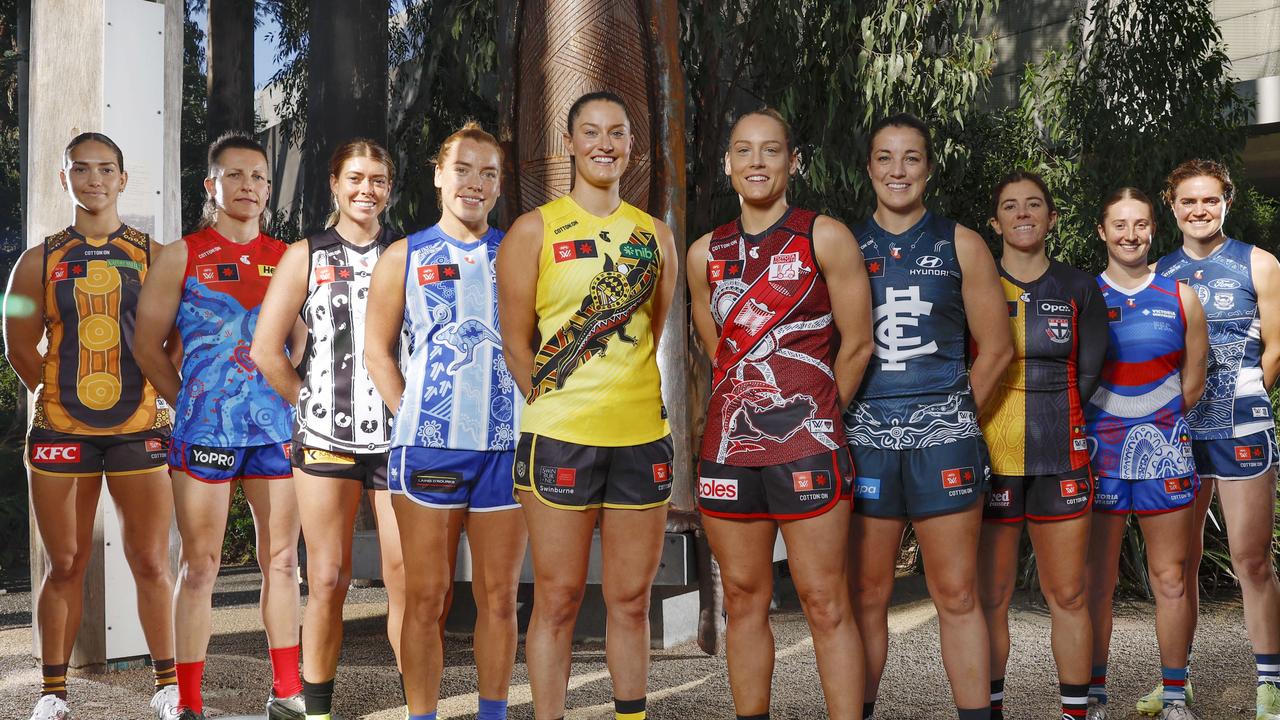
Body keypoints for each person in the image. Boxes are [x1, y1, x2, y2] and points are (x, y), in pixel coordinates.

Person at [496, 90, 678, 720]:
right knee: (559, 598)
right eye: (592, 132)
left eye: (618, 133)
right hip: (560, 439)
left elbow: (652, 328)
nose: (605, 143)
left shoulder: (654, 235)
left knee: (631, 600)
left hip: (641, 438)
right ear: (568, 144)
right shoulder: (534, 229)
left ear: (632, 145)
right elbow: (516, 341)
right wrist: (553, 403)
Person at [687, 108, 872, 720]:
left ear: (793, 162)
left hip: (808, 447)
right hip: (730, 449)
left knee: (825, 601)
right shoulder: (702, 252)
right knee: (743, 599)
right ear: (728, 164)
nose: (757, 162)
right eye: (743, 150)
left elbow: (860, 342)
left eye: (770, 151)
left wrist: (815, 416)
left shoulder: (825, 235)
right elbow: (719, 351)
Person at [4, 133, 180, 720]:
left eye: (106, 169)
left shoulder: (155, 255)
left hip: (138, 428)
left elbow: (176, 338)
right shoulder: (40, 259)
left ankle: (167, 686)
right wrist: (52, 395)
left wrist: (161, 390)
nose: (94, 180)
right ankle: (52, 693)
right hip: (60, 432)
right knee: (66, 563)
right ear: (65, 178)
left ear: (124, 180)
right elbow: (17, 340)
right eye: (82, 169)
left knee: (152, 561)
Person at [844, 112, 1014, 720]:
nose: (898, 170)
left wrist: (953, 413)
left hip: (943, 438)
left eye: (911, 158)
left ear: (929, 169)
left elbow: (997, 349)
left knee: (957, 593)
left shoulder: (960, 241)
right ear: (869, 168)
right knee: (866, 594)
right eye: (885, 157)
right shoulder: (841, 243)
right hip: (864, 437)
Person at [133, 132, 303, 720]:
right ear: (211, 186)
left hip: (275, 429)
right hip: (204, 432)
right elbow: (146, 345)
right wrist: (188, 402)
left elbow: (300, 340)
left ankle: (287, 692)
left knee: (282, 561)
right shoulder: (182, 254)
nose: (248, 186)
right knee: (199, 565)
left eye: (258, 176)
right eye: (235, 176)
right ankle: (187, 702)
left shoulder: (289, 257)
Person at [364, 122, 527, 720]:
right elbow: (378, 352)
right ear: (438, 175)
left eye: (488, 172)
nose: (474, 183)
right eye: (462, 169)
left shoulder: (518, 251)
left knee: (499, 599)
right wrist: (415, 412)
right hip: (428, 452)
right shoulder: (404, 255)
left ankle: (492, 713)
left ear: (499, 183)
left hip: (505, 450)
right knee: (427, 596)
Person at [251, 138, 406, 720]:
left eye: (379, 180)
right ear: (335, 186)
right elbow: (267, 350)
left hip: (397, 440)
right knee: (330, 577)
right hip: (325, 442)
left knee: (404, 578)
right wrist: (309, 401)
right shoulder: (307, 254)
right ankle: (314, 711)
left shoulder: (409, 251)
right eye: (356, 178)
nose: (367, 189)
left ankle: (419, 707)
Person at [976, 171, 1109, 720]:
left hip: (1063, 457)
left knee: (1070, 595)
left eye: (1034, 205)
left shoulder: (1079, 287)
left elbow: (1091, 371)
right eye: (1010, 206)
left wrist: (1054, 417)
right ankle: (990, 709)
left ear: (1052, 219)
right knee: (990, 600)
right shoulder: (975, 284)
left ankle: (1075, 713)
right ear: (996, 222)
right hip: (990, 462)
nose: (1023, 214)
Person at [1153, 159, 1280, 720]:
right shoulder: (1159, 271)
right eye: (1188, 201)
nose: (1199, 210)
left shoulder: (1260, 264)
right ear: (1172, 206)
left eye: (1210, 200)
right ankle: (1175, 685)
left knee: (1250, 560)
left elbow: (1274, 349)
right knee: (1177, 565)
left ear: (1227, 201)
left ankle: (1269, 684)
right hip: (1180, 432)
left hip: (1241, 428)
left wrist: (1245, 402)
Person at [1083, 187, 1208, 720]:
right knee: (1096, 580)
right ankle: (1092, 693)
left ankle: (1174, 696)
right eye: (1119, 225)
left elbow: (1195, 380)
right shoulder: (1083, 294)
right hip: (1096, 454)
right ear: (1102, 232)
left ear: (1153, 229)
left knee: (1172, 577)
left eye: (1140, 224)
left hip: (1167, 453)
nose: (1130, 235)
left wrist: (1154, 425)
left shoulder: (1181, 295)